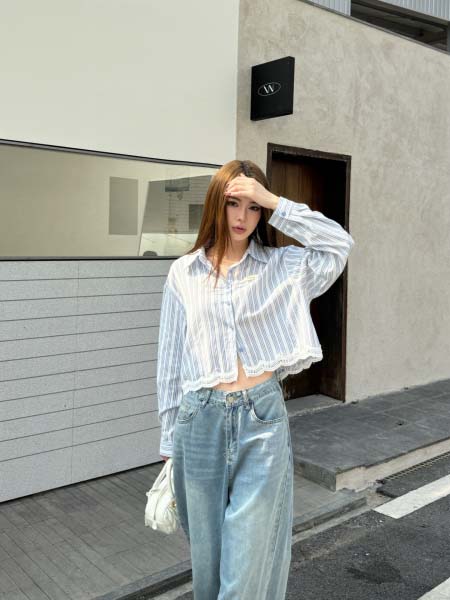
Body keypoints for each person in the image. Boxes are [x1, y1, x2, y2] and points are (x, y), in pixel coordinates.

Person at [157, 159, 355, 599]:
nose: (242, 217)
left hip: (261, 420)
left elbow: (338, 244)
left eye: (253, 207)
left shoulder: (283, 267)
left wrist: (276, 202)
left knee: (246, 564)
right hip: (198, 422)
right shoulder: (183, 273)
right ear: (216, 205)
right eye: (233, 203)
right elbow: (170, 361)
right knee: (208, 563)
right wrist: (169, 443)